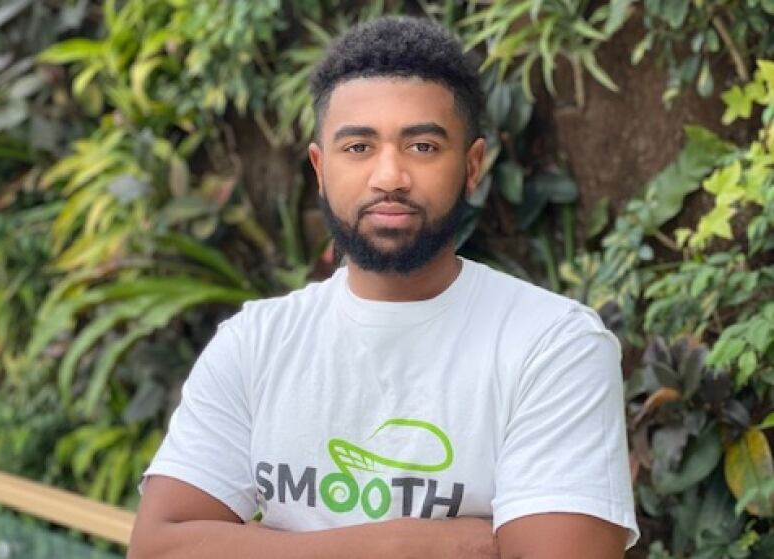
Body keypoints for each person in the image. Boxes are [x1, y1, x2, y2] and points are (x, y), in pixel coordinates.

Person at [128, 16, 639, 559]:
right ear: (320, 169)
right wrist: (418, 543)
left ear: (472, 167)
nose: (389, 176)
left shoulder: (553, 344)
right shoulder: (256, 342)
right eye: (358, 148)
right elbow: (158, 548)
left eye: (421, 146)